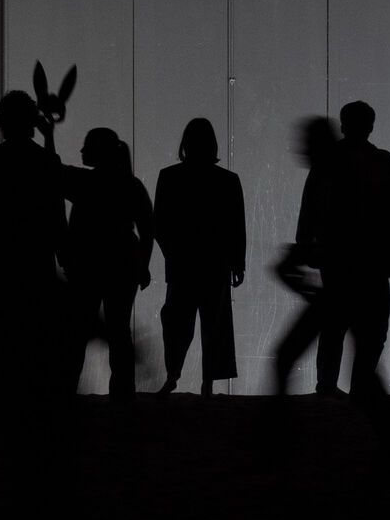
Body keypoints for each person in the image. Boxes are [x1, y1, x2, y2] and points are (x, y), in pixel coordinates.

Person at [304, 101, 390, 453]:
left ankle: (329, 384)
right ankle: (360, 385)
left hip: (337, 255)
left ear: (344, 125)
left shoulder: (330, 160)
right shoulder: (382, 161)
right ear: (370, 126)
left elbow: (311, 204)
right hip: (372, 258)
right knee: (372, 326)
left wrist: (307, 243)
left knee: (336, 321)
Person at [49, 127, 154, 396]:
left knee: (77, 331)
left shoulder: (84, 182)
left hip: (87, 265)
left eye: (87, 146)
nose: (82, 150)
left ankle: (67, 390)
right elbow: (147, 229)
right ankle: (123, 393)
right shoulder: (131, 185)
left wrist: (49, 136)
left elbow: (52, 171)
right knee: (119, 331)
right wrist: (143, 265)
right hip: (124, 262)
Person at [0, 91, 67, 397]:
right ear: (32, 123)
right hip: (35, 263)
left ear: (0, 123)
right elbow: (56, 217)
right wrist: (64, 257)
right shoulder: (47, 161)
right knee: (34, 343)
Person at [152, 118, 246, 397]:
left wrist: (172, 253)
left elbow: (160, 224)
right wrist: (237, 262)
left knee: (176, 323)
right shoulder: (227, 180)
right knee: (214, 325)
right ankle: (207, 382)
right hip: (215, 263)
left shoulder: (169, 176)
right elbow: (236, 226)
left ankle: (173, 375)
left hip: (182, 263)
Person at [270, 116, 341, 396]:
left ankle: (325, 386)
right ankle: (329, 385)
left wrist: (304, 249)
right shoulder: (337, 172)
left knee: (289, 354)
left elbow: (308, 218)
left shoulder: (323, 175)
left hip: (336, 265)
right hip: (347, 266)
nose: (301, 150)